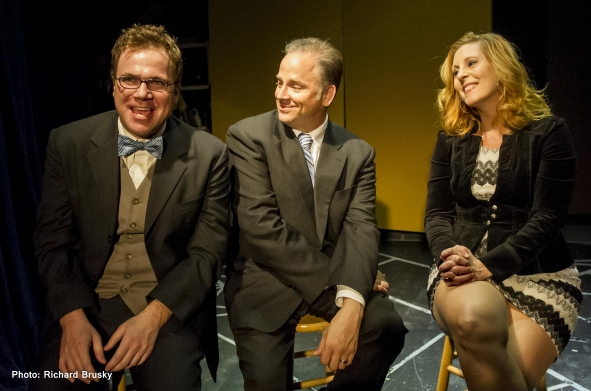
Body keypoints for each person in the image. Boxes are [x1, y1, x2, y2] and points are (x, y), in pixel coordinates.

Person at [31, 24, 230, 390]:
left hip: (164, 305)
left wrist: (153, 318)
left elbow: (207, 254)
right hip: (85, 302)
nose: (142, 94)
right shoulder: (68, 143)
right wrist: (73, 321)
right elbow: (52, 242)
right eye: (130, 80)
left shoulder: (210, 153)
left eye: (157, 82)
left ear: (176, 89)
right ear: (113, 83)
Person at [225, 37, 407, 391]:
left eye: (295, 85)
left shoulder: (358, 152)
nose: (281, 93)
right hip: (265, 280)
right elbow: (262, 229)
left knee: (386, 327)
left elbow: (361, 228)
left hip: (329, 278)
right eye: (279, 82)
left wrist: (351, 303)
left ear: (327, 95)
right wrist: (350, 282)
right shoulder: (247, 136)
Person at [425, 32, 582, 391]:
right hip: (463, 270)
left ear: (501, 68)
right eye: (455, 70)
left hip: (541, 276)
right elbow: (437, 215)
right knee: (474, 316)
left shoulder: (549, 133)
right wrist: (452, 255)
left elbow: (549, 217)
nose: (460, 75)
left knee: (512, 380)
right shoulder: (450, 139)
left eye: (471, 63)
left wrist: (492, 264)